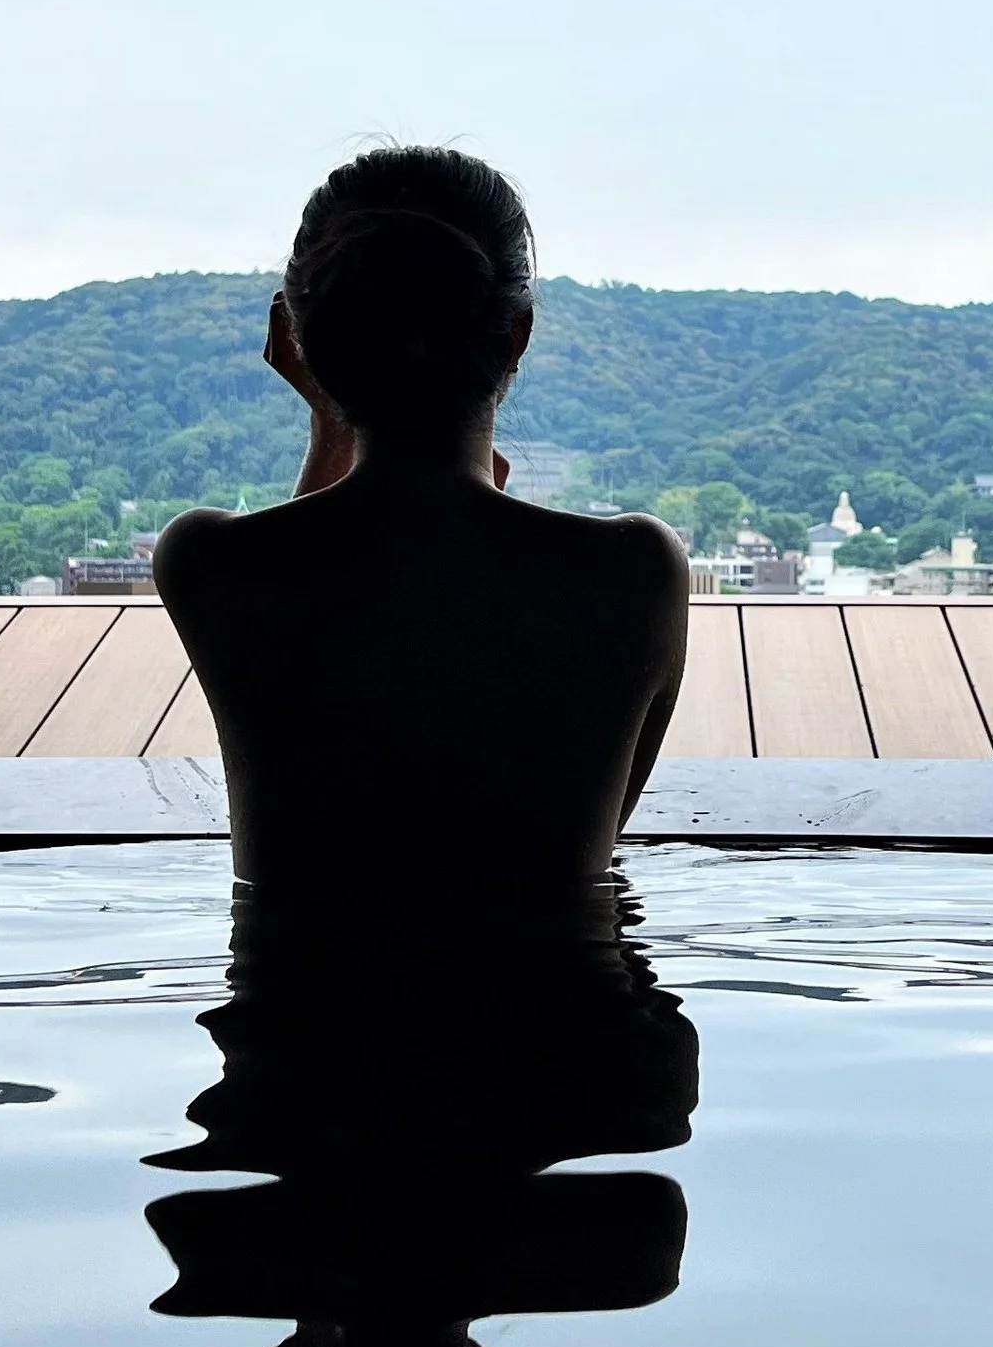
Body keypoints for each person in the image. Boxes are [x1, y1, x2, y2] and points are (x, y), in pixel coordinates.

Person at [151, 146, 690, 897]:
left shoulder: (208, 563)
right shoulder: (634, 573)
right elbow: (601, 826)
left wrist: (331, 425)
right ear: (517, 334)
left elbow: (300, 638)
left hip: (299, 1012)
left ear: (306, 343)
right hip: (558, 1010)